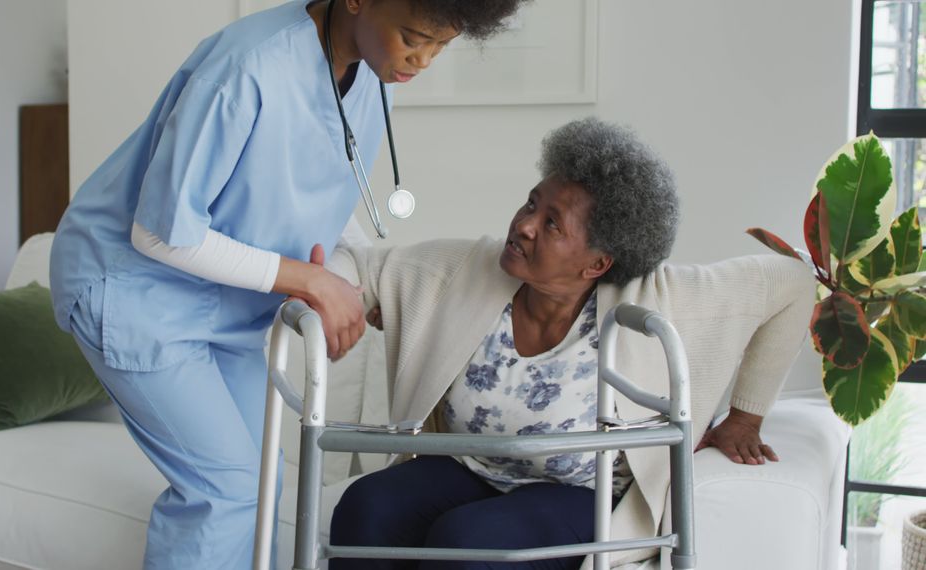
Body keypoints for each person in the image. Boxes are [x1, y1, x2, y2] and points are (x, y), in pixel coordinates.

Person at [48, 1, 529, 568]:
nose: (420, 59)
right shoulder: (245, 68)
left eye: (440, 45)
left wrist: (365, 276)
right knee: (225, 490)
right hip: (131, 290)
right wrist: (312, 281)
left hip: (225, 308)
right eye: (412, 36)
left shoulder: (375, 73)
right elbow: (160, 233)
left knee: (264, 480)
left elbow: (312, 188)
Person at [327, 117, 815, 570]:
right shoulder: (468, 269)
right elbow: (362, 267)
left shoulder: (661, 297)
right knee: (366, 507)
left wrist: (746, 415)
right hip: (475, 466)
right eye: (532, 203)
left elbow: (791, 282)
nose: (524, 224)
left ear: (597, 264)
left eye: (553, 223)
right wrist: (345, 300)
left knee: (468, 541)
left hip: (583, 490)